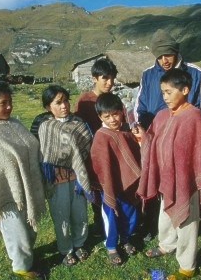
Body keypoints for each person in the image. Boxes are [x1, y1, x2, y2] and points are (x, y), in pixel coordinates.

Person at [136, 68, 201, 279]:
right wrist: (142, 136)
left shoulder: (192, 115)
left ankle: (187, 265)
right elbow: (152, 141)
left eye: (169, 92)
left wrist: (187, 176)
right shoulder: (162, 115)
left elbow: (197, 151)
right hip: (166, 178)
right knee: (165, 213)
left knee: (187, 222)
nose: (165, 97)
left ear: (185, 90)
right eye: (163, 92)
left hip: (185, 180)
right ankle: (166, 244)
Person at [134, 28, 201, 241]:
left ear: (175, 52)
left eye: (167, 54)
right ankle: (151, 226)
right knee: (154, 180)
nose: (164, 60)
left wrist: (189, 134)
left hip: (182, 142)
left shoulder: (194, 72)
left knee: (180, 184)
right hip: (154, 140)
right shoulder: (148, 74)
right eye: (159, 56)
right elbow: (140, 104)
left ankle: (183, 223)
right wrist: (143, 129)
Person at [0, 78, 45, 278]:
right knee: (17, 234)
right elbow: (2, 160)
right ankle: (21, 270)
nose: (9, 107)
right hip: (6, 191)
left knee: (28, 230)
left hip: (25, 185)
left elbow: (31, 144)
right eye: (2, 103)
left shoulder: (14, 122)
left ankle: (27, 258)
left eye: (10, 101)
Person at [35, 85, 93, 266]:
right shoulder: (45, 127)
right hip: (57, 180)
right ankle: (66, 249)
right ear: (47, 107)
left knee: (80, 214)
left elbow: (86, 149)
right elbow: (44, 155)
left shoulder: (79, 123)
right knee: (61, 216)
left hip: (77, 178)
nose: (64, 106)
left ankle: (79, 243)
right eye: (58, 103)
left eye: (66, 101)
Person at [88, 93, 142, 265]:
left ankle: (125, 239)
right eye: (107, 116)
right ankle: (111, 246)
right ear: (100, 117)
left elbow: (135, 155)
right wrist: (105, 184)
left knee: (129, 213)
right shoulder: (101, 136)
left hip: (128, 186)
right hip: (109, 187)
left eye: (115, 114)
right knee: (110, 216)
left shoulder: (127, 131)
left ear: (122, 111)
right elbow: (99, 163)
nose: (112, 119)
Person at [73, 58, 119, 238]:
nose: (109, 83)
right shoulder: (84, 100)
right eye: (105, 78)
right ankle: (100, 225)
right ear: (94, 78)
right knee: (97, 189)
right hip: (92, 153)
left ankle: (115, 220)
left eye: (112, 78)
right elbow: (79, 127)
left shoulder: (113, 99)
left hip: (112, 151)